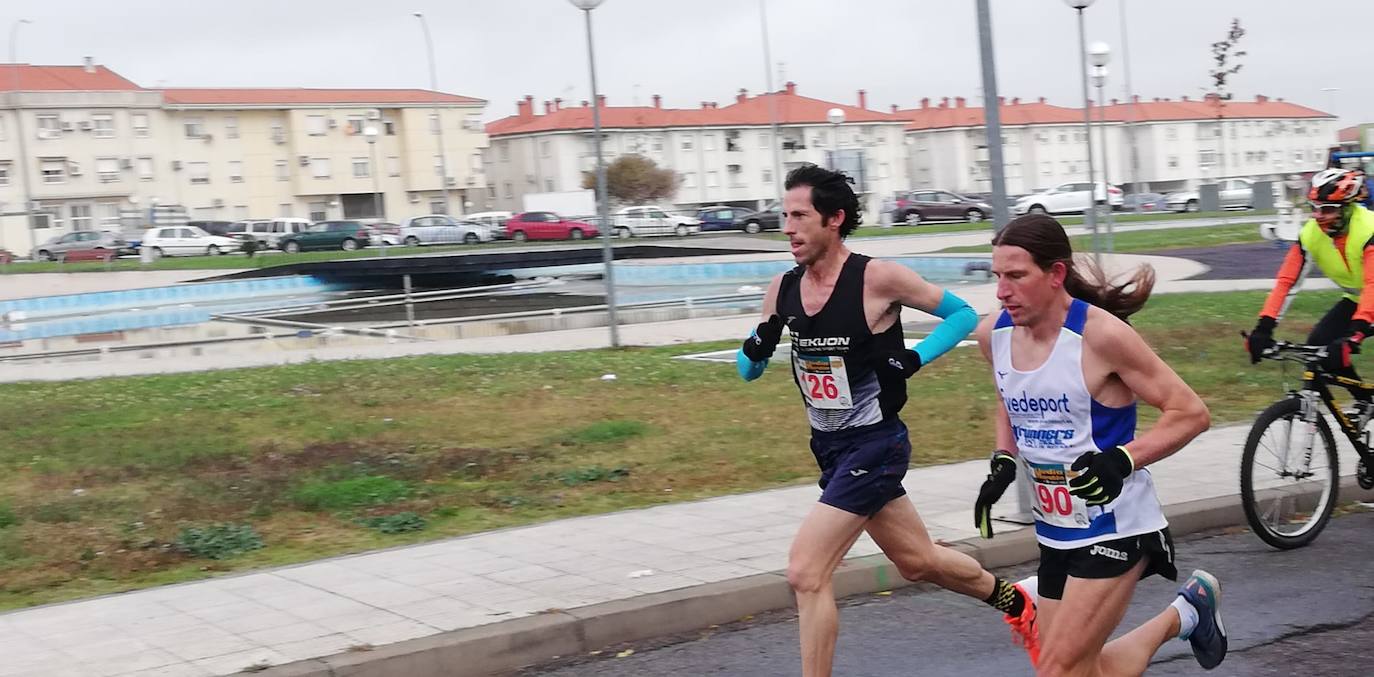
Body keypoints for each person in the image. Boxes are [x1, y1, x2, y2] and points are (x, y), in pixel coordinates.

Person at [737, 164, 1038, 677]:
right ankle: (1019, 604)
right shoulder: (783, 288)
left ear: (834, 219)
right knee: (917, 561)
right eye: (783, 215)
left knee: (806, 572)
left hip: (875, 443)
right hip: (830, 448)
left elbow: (964, 315)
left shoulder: (877, 277)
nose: (786, 227)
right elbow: (748, 370)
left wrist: (915, 358)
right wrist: (756, 347)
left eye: (799, 216)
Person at [971, 214, 1224, 675]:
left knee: (1057, 670)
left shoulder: (1101, 336)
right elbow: (1007, 392)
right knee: (1084, 670)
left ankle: (1185, 613)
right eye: (998, 277)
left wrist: (1122, 460)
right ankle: (1187, 613)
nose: (1002, 291)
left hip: (1116, 527)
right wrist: (1003, 458)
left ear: (1056, 274)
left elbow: (1190, 412)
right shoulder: (995, 333)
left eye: (1016, 276)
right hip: (1055, 528)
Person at [1247, 169, 1374, 397]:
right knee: (1320, 347)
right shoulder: (1311, 234)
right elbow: (1287, 282)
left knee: (1343, 344)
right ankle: (1365, 404)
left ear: (1346, 209)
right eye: (1314, 208)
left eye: (1327, 210)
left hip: (1371, 298)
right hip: (1358, 300)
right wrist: (1263, 328)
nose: (1318, 216)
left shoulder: (1368, 230)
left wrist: (1355, 335)